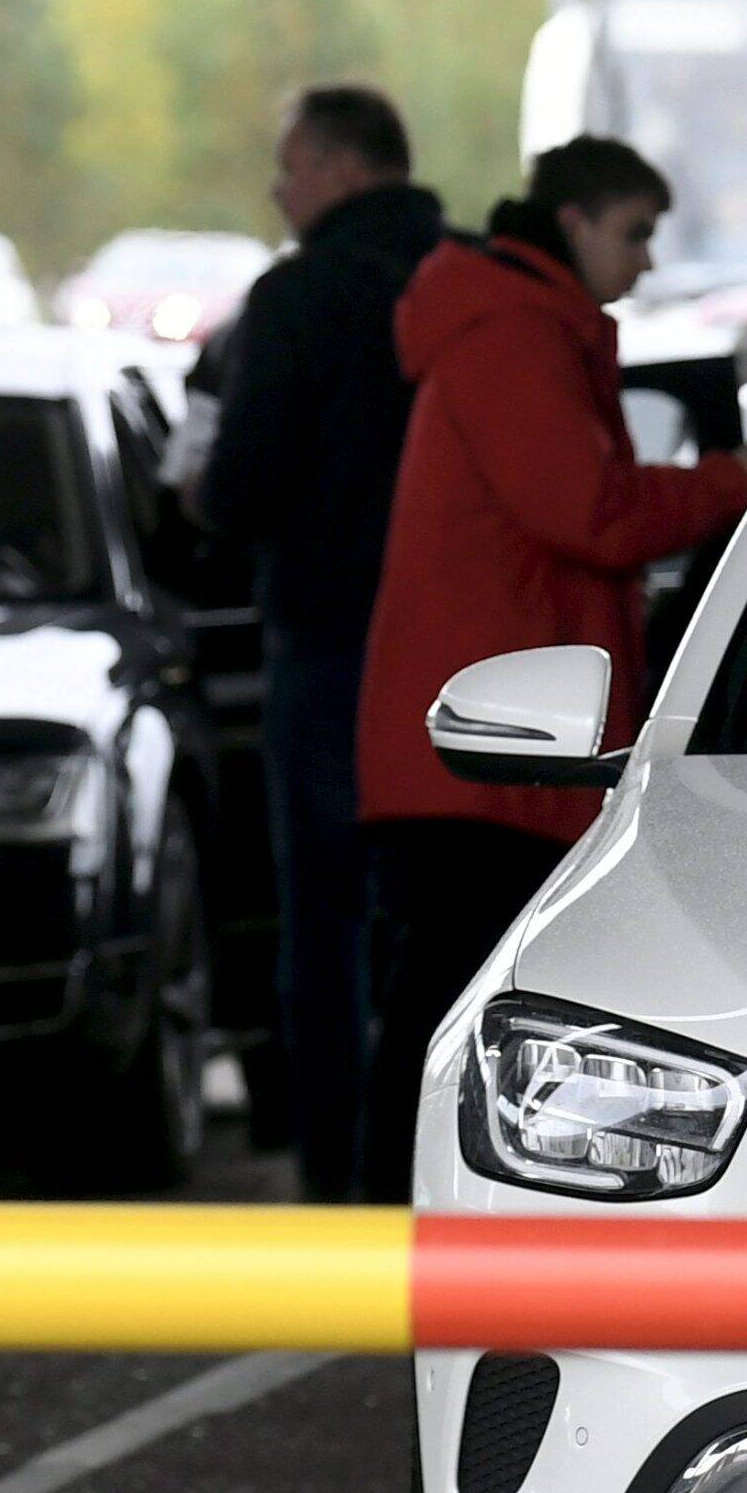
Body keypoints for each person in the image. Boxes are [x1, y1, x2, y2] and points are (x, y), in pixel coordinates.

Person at [353, 136, 747, 1198]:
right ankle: (392, 1244)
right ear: (574, 221)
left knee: (445, 1013)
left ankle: (390, 1243)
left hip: (489, 734)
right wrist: (738, 479)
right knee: (449, 1026)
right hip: (488, 748)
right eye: (633, 232)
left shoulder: (518, 326)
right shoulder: (512, 335)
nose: (643, 260)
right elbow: (591, 512)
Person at [197, 84, 448, 1200]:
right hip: (466, 656)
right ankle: (440, 1172)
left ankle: (341, 1190)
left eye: (290, 164)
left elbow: (241, 486)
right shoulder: (476, 281)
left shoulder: (301, 296)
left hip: (332, 643)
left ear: (344, 170)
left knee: (327, 928)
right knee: (445, 919)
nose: (277, 186)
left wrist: (204, 494)